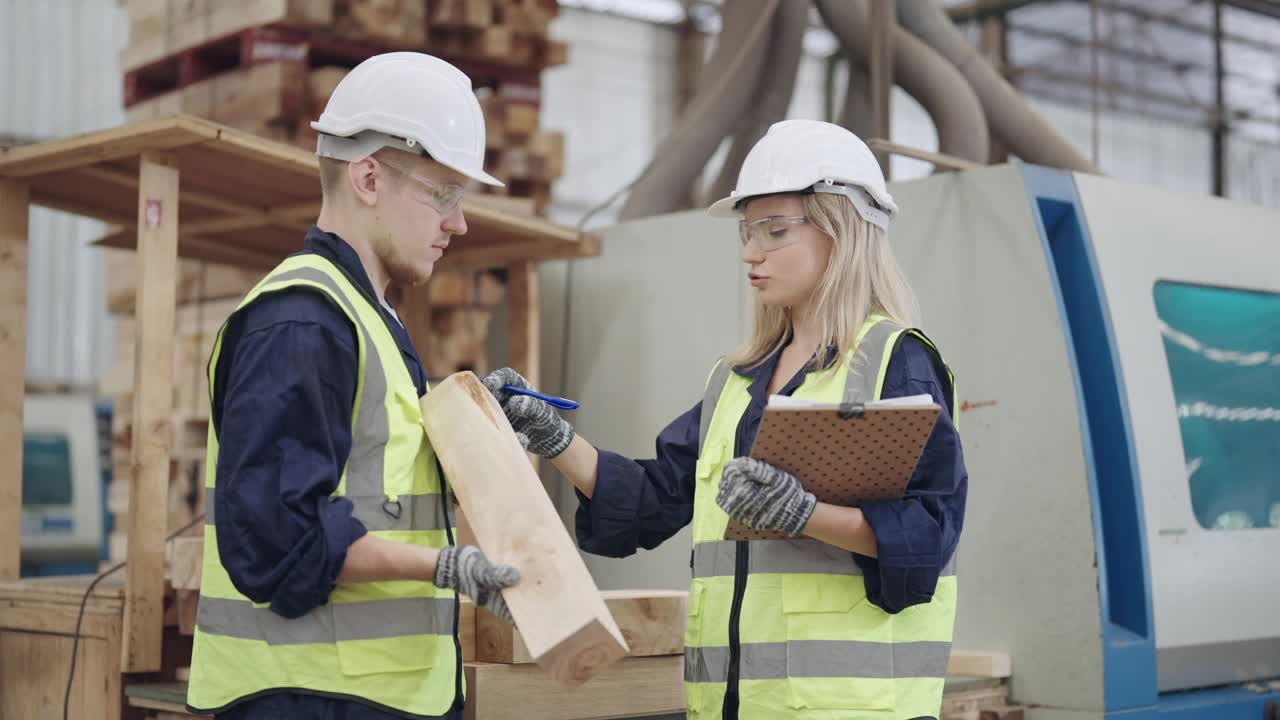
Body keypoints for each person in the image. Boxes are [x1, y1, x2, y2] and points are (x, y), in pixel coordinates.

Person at [483, 119, 968, 720]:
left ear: (841, 232)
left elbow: (928, 532)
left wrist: (805, 516)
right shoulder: (737, 380)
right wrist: (554, 438)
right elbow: (656, 497)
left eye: (774, 230)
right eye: (748, 231)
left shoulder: (897, 364)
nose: (750, 251)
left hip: (845, 706)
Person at [186, 52, 520, 720]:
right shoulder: (300, 323)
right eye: (443, 195)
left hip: (359, 693)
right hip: (308, 699)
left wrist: (472, 427)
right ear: (369, 177)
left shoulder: (361, 316)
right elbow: (278, 543)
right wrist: (444, 567)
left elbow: (373, 490)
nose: (458, 223)